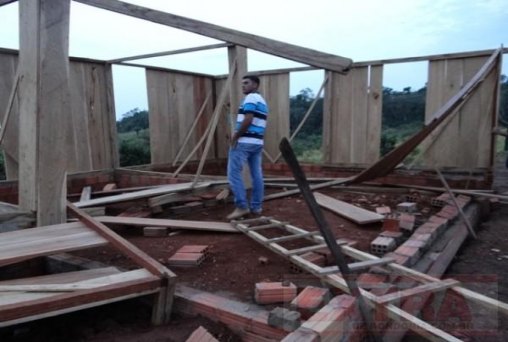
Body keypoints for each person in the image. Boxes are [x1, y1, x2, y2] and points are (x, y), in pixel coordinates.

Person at [226, 75, 268, 220]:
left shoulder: (250, 98)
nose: (243, 85)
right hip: (257, 143)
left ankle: (242, 206)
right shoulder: (262, 100)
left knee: (233, 173)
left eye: (246, 83)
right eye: (242, 83)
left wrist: (236, 135)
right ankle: (256, 207)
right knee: (257, 174)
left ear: (255, 85)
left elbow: (248, 119)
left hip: (244, 142)